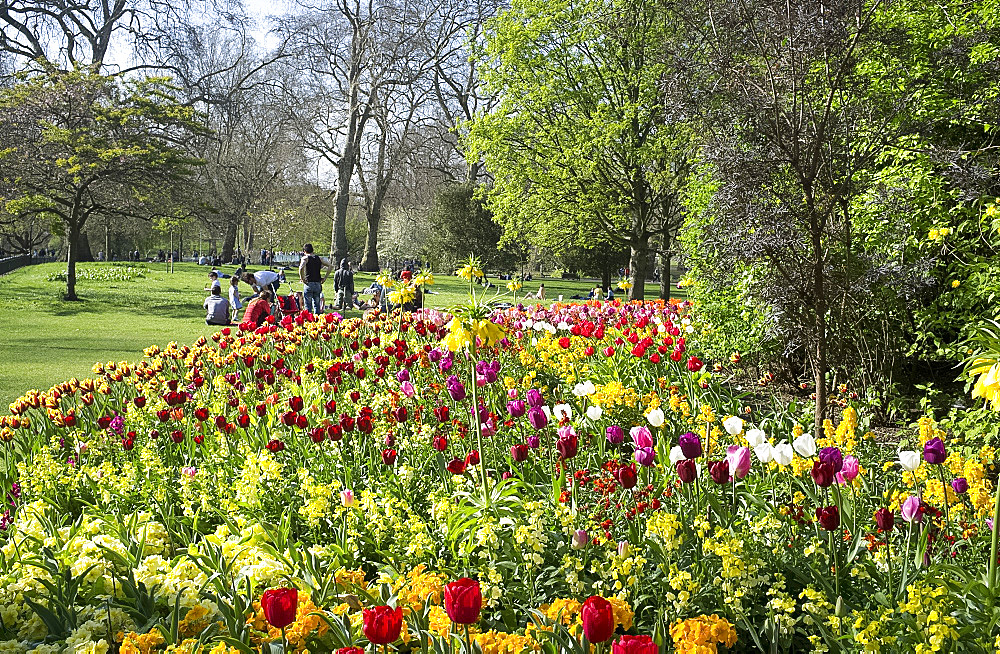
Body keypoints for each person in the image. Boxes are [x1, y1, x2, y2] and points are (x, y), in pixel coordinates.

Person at [298, 244, 334, 315]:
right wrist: (325, 278)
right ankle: (317, 320)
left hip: (309, 283)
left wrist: (302, 278)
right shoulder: (319, 258)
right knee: (317, 304)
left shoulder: (305, 258)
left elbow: (301, 268)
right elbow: (330, 266)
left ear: (304, 251)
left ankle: (309, 320)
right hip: (318, 283)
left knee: (308, 305)